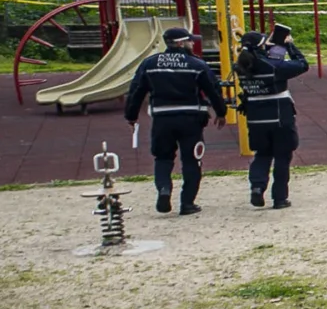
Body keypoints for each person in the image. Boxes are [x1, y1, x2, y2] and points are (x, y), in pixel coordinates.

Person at [122, 25, 227, 214]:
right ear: (180, 43)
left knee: (162, 158)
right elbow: (213, 89)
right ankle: (187, 203)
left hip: (162, 120)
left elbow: (136, 90)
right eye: (189, 41)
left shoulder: (149, 64)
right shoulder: (196, 64)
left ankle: (164, 189)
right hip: (191, 119)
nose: (191, 44)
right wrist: (221, 112)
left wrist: (131, 115)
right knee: (192, 161)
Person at [237, 23, 308, 209]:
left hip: (255, 116)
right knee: (283, 157)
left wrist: (269, 49)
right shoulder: (274, 66)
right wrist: (288, 45)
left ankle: (257, 187)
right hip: (279, 113)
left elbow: (259, 61)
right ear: (262, 46)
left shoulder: (241, 66)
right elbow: (302, 64)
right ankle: (279, 198)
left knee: (262, 154)